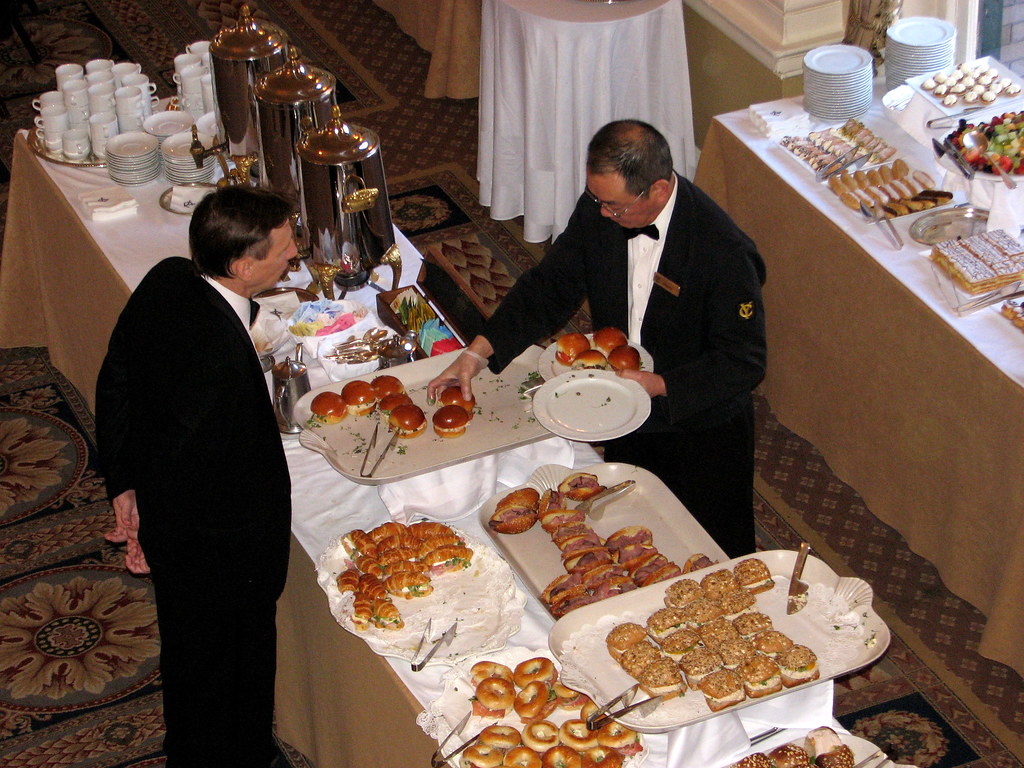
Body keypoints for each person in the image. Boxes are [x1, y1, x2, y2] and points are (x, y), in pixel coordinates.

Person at [428, 120, 766, 557]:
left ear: (659, 191)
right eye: (597, 199)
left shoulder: (723, 253)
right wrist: (477, 352)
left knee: (709, 551)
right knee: (631, 537)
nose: (603, 214)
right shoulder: (601, 209)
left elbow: (744, 361)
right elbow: (550, 286)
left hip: (700, 428)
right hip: (624, 409)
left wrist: (661, 385)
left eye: (615, 206)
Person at [96, 187, 298, 768]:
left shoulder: (167, 279)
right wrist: (147, 527)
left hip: (184, 530)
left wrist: (123, 485)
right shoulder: (218, 362)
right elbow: (182, 456)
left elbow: (118, 380)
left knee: (192, 662)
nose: (293, 258)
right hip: (221, 548)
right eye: (284, 251)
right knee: (233, 661)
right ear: (242, 265)